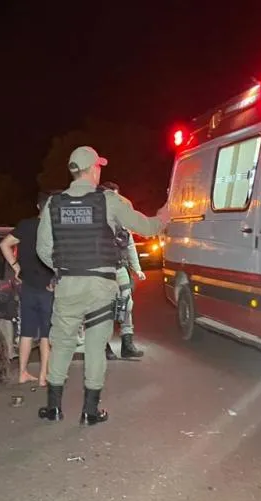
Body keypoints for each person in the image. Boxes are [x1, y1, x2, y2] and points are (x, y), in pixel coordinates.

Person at [36, 145, 169, 425]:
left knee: (62, 344)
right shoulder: (110, 200)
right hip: (101, 284)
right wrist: (165, 215)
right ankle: (90, 411)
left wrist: (63, 267)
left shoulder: (53, 203)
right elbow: (147, 228)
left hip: (68, 284)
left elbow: (43, 249)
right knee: (96, 347)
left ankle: (54, 408)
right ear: (94, 168)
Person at [0, 191, 55, 386]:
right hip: (48, 287)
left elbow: (4, 244)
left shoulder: (25, 225)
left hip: (27, 285)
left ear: (38, 206)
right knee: (47, 333)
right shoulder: (55, 228)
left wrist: (16, 267)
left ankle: (23, 372)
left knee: (27, 331)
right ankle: (42, 376)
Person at [99, 181, 146, 360]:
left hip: (119, 267)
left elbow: (130, 245)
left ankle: (127, 344)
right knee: (104, 309)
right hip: (101, 271)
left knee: (127, 306)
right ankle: (103, 346)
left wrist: (137, 269)